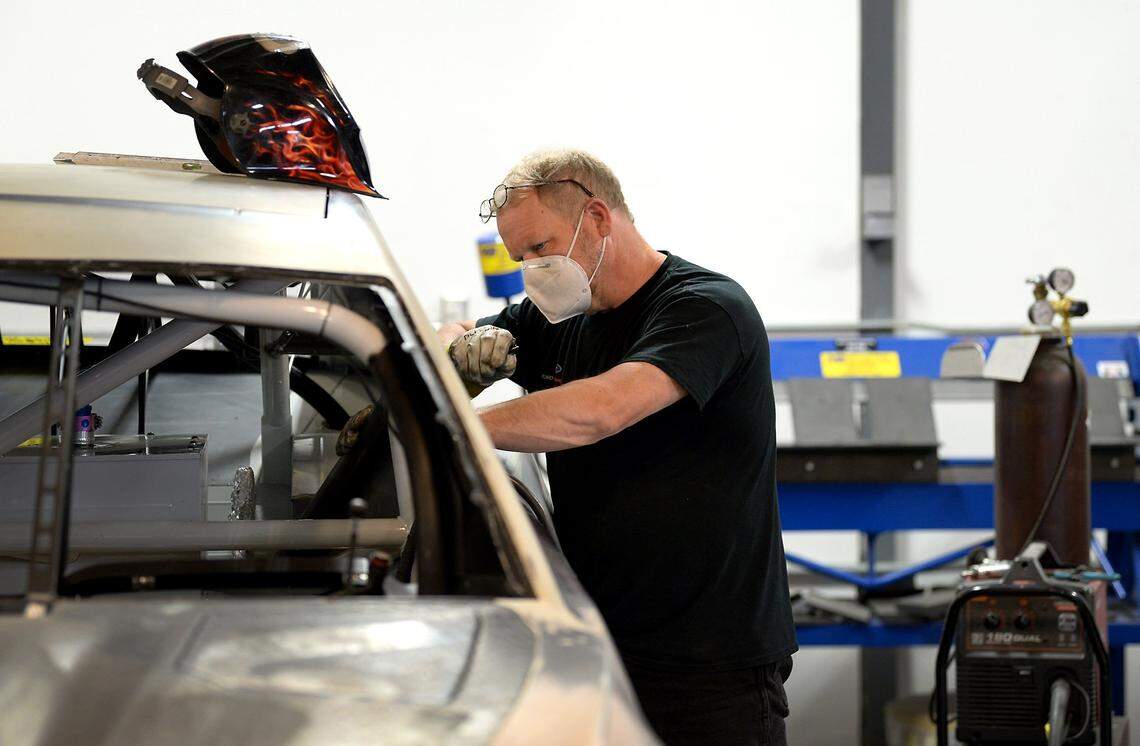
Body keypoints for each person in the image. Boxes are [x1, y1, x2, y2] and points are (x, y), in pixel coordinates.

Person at [440, 149, 796, 745]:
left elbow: (600, 411)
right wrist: (458, 348)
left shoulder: (705, 308)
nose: (532, 267)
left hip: (710, 664)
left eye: (540, 247)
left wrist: (451, 427)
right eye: (520, 256)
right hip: (603, 644)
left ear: (599, 218)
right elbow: (452, 335)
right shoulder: (556, 320)